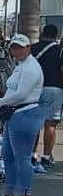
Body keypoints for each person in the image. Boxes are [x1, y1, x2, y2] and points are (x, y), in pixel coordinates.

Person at [0, 34, 44, 196]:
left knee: (22, 157)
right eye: (14, 47)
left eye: (21, 47)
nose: (17, 50)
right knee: (9, 155)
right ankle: (10, 193)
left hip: (26, 113)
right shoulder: (22, 66)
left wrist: (1, 102)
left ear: (28, 48)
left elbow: (21, 93)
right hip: (16, 114)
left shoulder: (30, 68)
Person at [30, 24, 63, 172]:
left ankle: (31, 154)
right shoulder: (60, 50)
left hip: (35, 88)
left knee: (35, 123)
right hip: (54, 88)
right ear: (56, 35)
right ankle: (46, 157)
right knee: (50, 124)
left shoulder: (32, 48)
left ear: (43, 33)